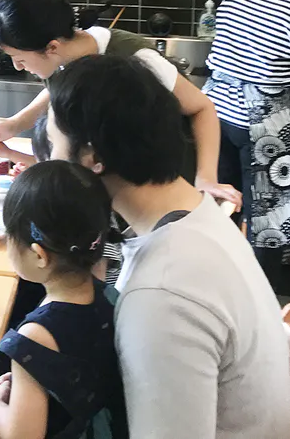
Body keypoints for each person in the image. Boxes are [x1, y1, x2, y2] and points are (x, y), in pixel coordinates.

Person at [47, 55, 290, 437]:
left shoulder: (162, 293)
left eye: (53, 144)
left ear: (93, 157)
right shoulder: (199, 213)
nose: (50, 161)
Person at [0, 0, 241, 208]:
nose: (18, 67)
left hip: (166, 184)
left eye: (20, 58)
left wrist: (206, 178)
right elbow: (58, 89)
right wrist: (15, 124)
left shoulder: (134, 59)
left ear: (52, 48)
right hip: (119, 188)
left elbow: (203, 108)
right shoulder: (63, 57)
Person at [0, 161, 127, 439]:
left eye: (8, 236)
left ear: (39, 255)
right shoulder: (109, 295)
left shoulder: (36, 335)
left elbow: (21, 437)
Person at [203, 0, 290, 295]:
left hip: (216, 113)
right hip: (266, 122)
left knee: (219, 210)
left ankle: (211, 293)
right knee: (268, 224)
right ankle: (263, 305)